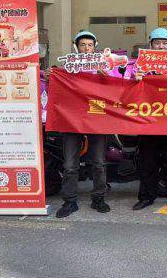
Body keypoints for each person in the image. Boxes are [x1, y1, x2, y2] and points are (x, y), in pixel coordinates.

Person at [55, 30, 110, 218]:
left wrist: (106, 77)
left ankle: (99, 198)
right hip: (72, 119)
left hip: (96, 118)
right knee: (70, 165)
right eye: (83, 45)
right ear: (76, 48)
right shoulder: (68, 66)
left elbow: (116, 86)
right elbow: (56, 83)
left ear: (95, 47)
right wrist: (50, 75)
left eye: (90, 45)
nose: (86, 48)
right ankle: (70, 201)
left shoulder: (103, 66)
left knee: (99, 162)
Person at [132, 28, 167, 211]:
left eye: (164, 43)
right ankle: (146, 196)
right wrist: (135, 78)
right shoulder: (140, 64)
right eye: (157, 43)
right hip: (148, 119)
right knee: (148, 160)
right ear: (151, 44)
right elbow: (126, 80)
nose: (161, 46)